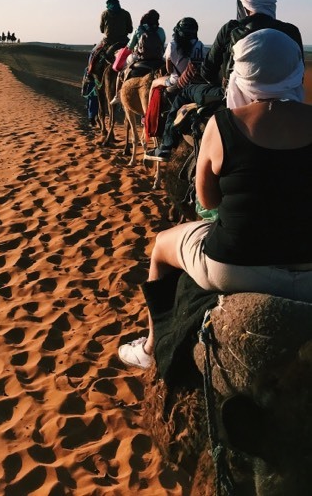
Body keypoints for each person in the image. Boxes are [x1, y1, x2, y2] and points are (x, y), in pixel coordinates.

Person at [118, 28, 310, 369]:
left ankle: (149, 348)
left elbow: (208, 199)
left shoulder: (222, 124)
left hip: (235, 266)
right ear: (296, 71)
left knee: (162, 245)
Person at [145, 0, 304, 161]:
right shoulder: (291, 31)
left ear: (244, 4)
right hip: (288, 100)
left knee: (184, 93)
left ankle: (165, 146)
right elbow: (298, 74)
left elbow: (207, 71)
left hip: (232, 96)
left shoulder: (230, 29)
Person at [110, 10, 166, 104]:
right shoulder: (161, 30)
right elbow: (162, 43)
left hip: (140, 58)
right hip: (158, 59)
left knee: (122, 71)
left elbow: (130, 46)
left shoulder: (139, 29)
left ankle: (117, 96)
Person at [87, 0, 133, 79]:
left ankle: (89, 74)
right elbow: (130, 30)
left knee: (93, 53)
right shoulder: (126, 13)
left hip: (108, 41)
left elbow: (101, 30)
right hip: (123, 41)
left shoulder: (105, 13)